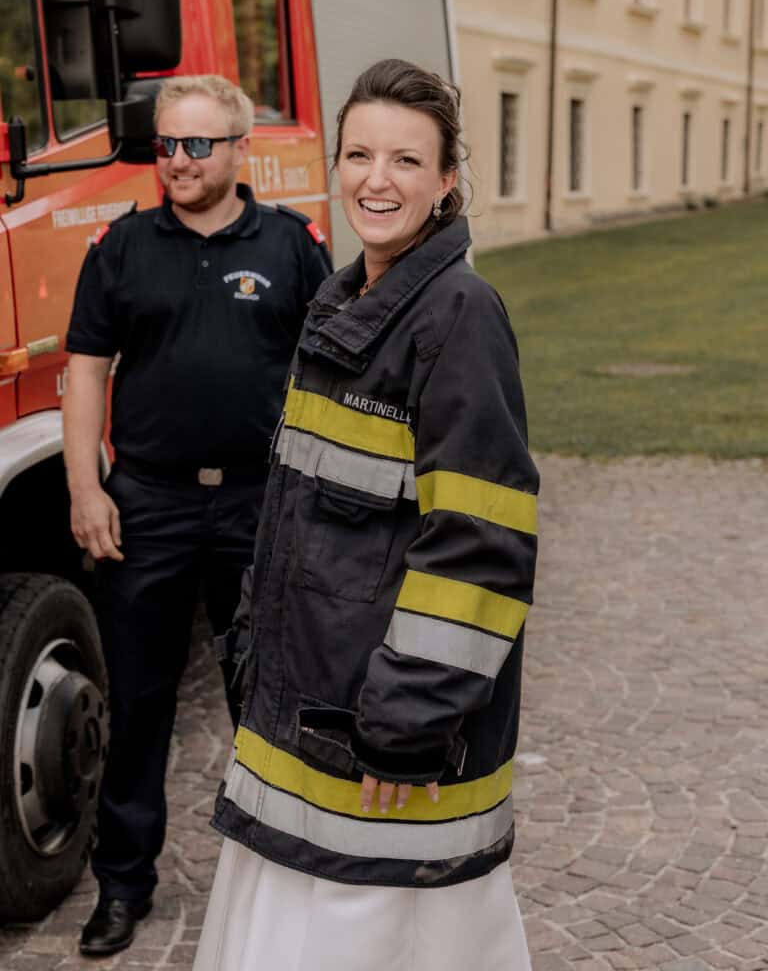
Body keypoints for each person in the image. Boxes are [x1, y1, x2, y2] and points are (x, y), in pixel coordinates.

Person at [194, 58, 539, 971]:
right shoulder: (348, 300)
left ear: (447, 181)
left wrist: (409, 720)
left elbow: (480, 547)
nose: (376, 181)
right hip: (314, 710)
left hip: (383, 743)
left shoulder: (459, 315)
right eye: (358, 155)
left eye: (406, 161)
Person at [62, 73, 331, 959]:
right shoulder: (121, 247)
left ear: (239, 149)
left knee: (268, 697)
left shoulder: (292, 246)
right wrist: (86, 489)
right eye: (166, 144)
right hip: (149, 505)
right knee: (140, 702)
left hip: (262, 501)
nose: (176, 160)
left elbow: (332, 377)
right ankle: (123, 885)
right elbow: (87, 371)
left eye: (197, 144)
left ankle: (282, 884)